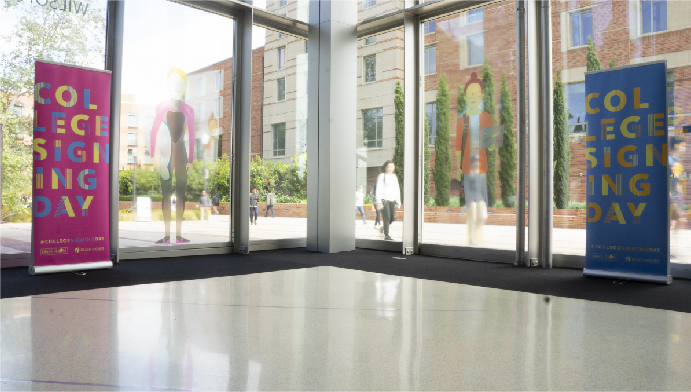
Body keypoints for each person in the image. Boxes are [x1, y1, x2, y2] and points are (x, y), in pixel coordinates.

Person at [149, 67, 196, 244]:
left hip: (182, 154)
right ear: (168, 85)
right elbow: (154, 131)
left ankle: (178, 234)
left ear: (185, 85)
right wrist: (154, 156)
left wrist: (191, 160)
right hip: (166, 155)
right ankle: (168, 235)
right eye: (173, 82)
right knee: (166, 195)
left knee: (181, 195)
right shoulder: (162, 106)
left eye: (180, 83)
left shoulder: (189, 110)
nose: (177, 86)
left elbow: (191, 136)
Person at [375, 160, 401, 241]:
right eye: (389, 166)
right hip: (384, 199)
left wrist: (398, 201)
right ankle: (387, 235)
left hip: (392, 199)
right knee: (387, 217)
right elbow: (378, 188)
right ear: (385, 168)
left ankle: (383, 227)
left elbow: (397, 189)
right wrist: (378, 200)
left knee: (392, 218)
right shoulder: (382, 176)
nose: (391, 168)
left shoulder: (394, 177)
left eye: (392, 166)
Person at [464, 156, 488, 245]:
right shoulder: (468, 174)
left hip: (480, 200)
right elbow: (466, 189)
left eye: (479, 161)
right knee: (472, 220)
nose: (478, 163)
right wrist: (468, 202)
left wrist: (486, 202)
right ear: (473, 163)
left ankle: (477, 237)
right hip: (472, 201)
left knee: (482, 218)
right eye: (476, 161)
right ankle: (471, 239)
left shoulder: (482, 174)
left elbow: (484, 188)